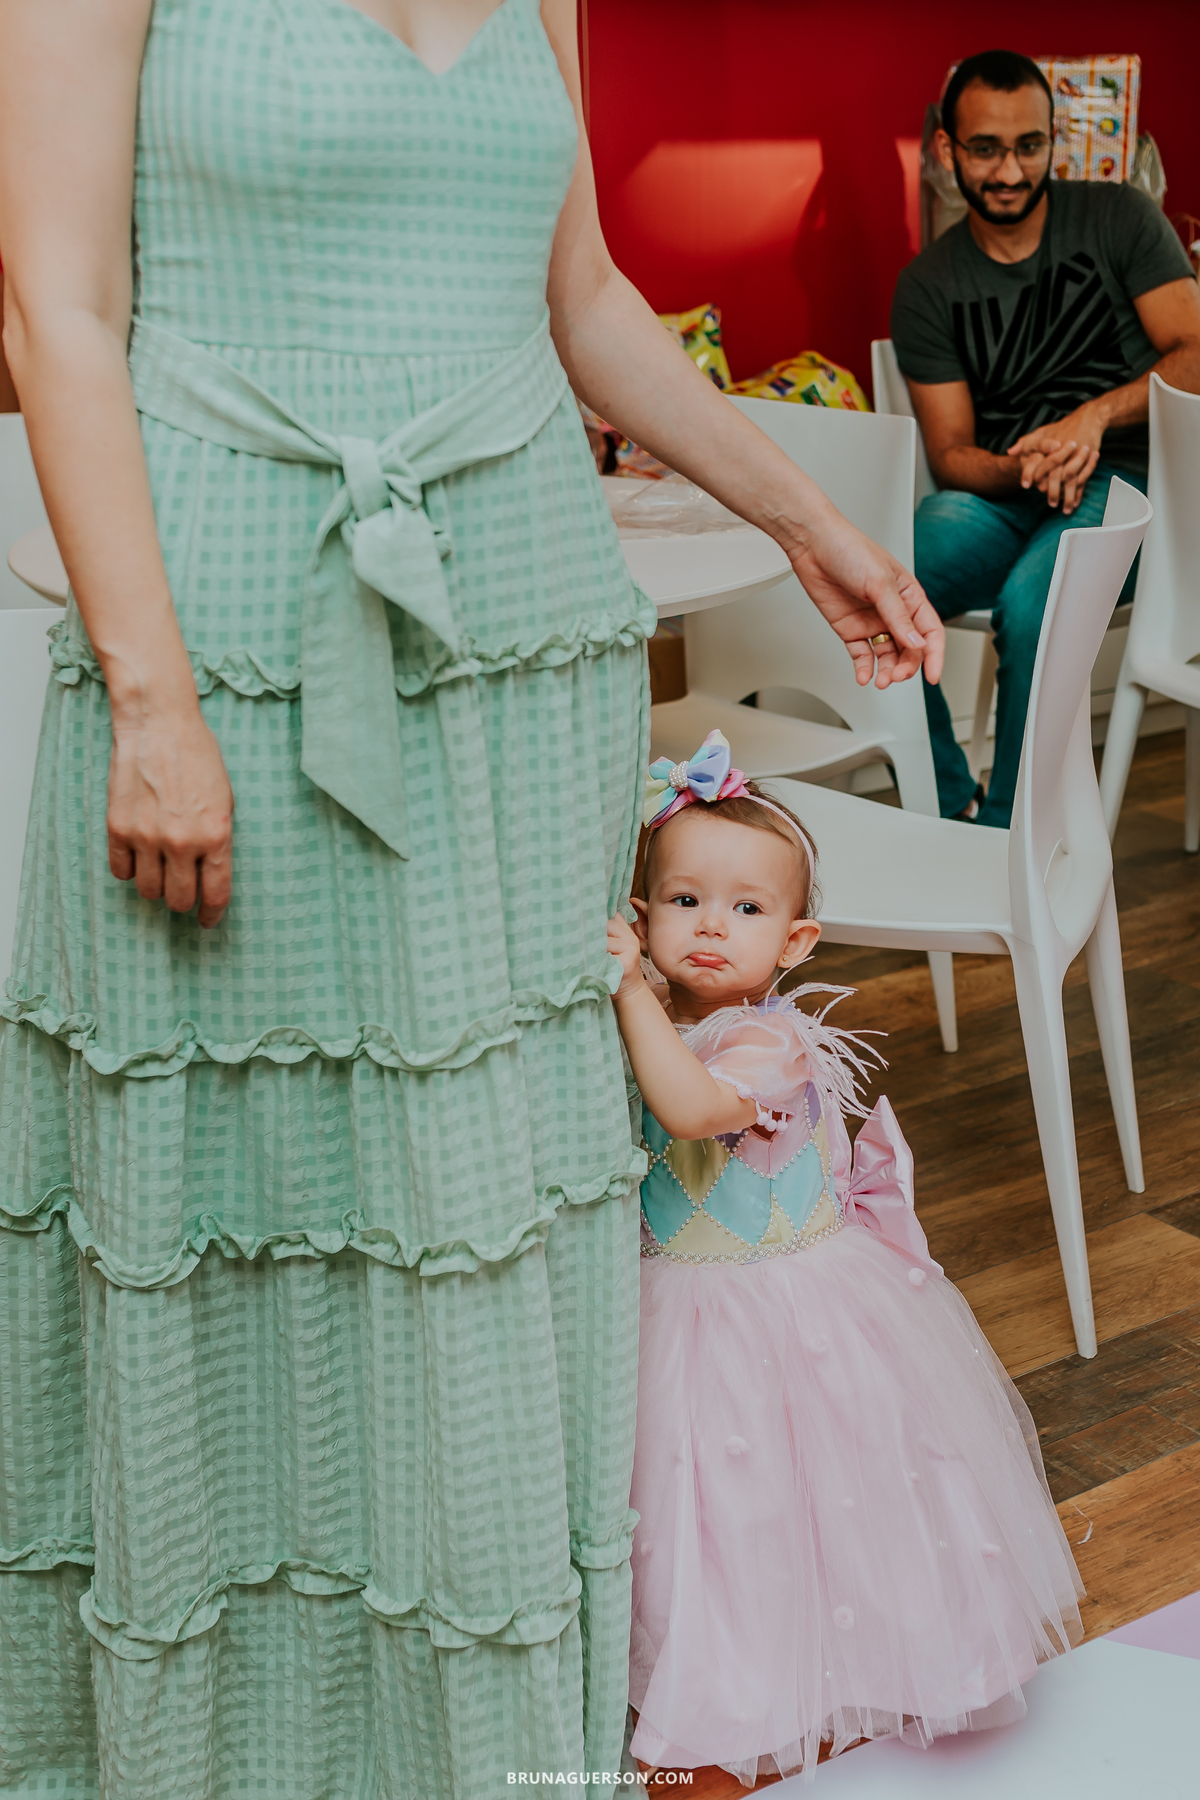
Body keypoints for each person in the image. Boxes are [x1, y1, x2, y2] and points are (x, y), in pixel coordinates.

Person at [0, 1, 943, 1792]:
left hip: (516, 643)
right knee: (237, 1187)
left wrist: (806, 517)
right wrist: (150, 697)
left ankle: (483, 1742)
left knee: (490, 1190)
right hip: (234, 631)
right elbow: (60, 309)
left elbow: (579, 296)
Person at [606, 730, 1083, 1786]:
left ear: (798, 938)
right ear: (644, 916)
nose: (713, 928)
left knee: (822, 1505)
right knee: (711, 1523)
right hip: (680, 1305)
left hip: (786, 1314)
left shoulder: (769, 1042)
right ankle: (719, 1703)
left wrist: (629, 992)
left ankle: (845, 1679)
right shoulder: (651, 1025)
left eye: (747, 909)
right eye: (685, 901)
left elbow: (686, 1109)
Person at [891, 47, 1200, 828]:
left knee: (1038, 604)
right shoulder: (929, 285)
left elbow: (1195, 353)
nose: (1009, 170)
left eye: (1029, 145)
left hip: (1130, 488)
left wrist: (1090, 420)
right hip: (1008, 491)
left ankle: (1007, 840)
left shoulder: (1120, 217)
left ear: (1052, 141)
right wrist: (1032, 462)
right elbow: (951, 453)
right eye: (986, 148)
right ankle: (945, 797)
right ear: (946, 149)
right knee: (881, 577)